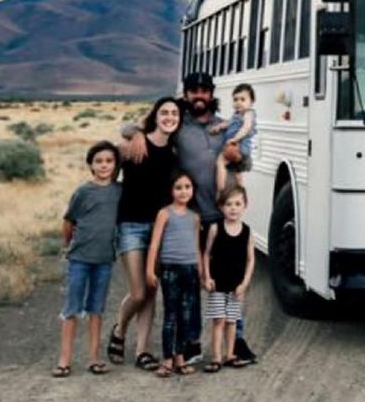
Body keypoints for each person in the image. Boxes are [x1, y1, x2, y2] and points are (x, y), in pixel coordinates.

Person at [124, 72, 258, 366]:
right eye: (193, 91)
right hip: (193, 218)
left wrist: (239, 159)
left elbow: (246, 158)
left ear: (211, 94)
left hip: (223, 217)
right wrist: (134, 133)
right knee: (194, 283)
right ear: (185, 95)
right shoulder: (178, 127)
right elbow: (133, 127)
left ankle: (236, 342)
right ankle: (192, 343)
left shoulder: (226, 125)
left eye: (204, 91)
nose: (199, 96)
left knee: (229, 280)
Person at [107, 96, 180, 371]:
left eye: (174, 113)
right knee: (138, 292)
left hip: (160, 229)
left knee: (151, 288)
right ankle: (120, 328)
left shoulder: (174, 154)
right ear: (155, 115)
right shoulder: (132, 145)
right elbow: (108, 177)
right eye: (164, 112)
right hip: (131, 225)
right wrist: (134, 131)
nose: (169, 117)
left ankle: (142, 351)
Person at [52, 141, 122, 378]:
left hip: (104, 259)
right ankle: (64, 360)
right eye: (99, 161)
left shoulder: (119, 191)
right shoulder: (83, 192)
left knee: (96, 309)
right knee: (72, 308)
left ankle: (94, 358)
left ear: (115, 165)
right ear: (91, 165)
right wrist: (68, 246)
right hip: (80, 258)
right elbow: (68, 221)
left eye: (109, 161)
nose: (104, 165)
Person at [146, 171, 203, 377]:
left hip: (190, 269)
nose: (183, 191)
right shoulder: (165, 213)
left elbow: (197, 247)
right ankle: (167, 358)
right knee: (171, 314)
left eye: (187, 187)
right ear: (171, 190)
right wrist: (150, 269)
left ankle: (180, 357)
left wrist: (202, 272)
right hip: (170, 269)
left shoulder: (195, 217)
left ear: (193, 190)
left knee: (186, 315)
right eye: (178, 187)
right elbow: (154, 244)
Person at [202, 185, 255, 372]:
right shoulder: (216, 228)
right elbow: (207, 254)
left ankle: (229, 354)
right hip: (218, 283)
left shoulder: (247, 232)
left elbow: (250, 259)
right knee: (219, 320)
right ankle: (216, 357)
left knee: (232, 321)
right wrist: (207, 277)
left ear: (245, 206)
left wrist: (245, 283)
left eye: (238, 204)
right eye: (229, 204)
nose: (233, 208)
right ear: (222, 207)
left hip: (236, 286)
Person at [211, 83, 257, 191]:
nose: (238, 103)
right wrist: (218, 127)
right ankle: (240, 190)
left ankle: (221, 190)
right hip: (237, 147)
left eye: (242, 99)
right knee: (237, 172)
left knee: (221, 161)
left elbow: (246, 127)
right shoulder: (236, 115)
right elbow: (228, 123)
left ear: (251, 102)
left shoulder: (248, 113)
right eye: (235, 99)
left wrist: (235, 139)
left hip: (240, 146)